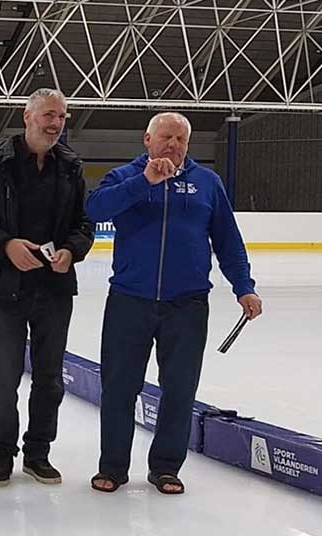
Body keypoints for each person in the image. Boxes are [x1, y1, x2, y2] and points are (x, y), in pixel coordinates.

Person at [85, 112, 263, 495]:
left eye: (181, 139)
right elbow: (94, 209)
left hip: (188, 305)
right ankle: (112, 466)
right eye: (166, 137)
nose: (173, 145)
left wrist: (244, 286)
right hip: (130, 301)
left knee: (180, 390)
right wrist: (144, 181)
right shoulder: (124, 176)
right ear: (147, 140)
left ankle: (166, 467)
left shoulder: (207, 183)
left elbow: (228, 241)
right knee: (119, 387)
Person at [0, 88, 95, 487]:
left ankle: (38, 453)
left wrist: (72, 251)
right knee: (5, 376)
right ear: (27, 116)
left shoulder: (70, 167)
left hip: (53, 290)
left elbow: (84, 224)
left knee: (50, 378)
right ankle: (2, 450)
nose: (55, 123)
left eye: (62, 116)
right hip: (6, 290)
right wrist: (5, 245)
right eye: (49, 115)